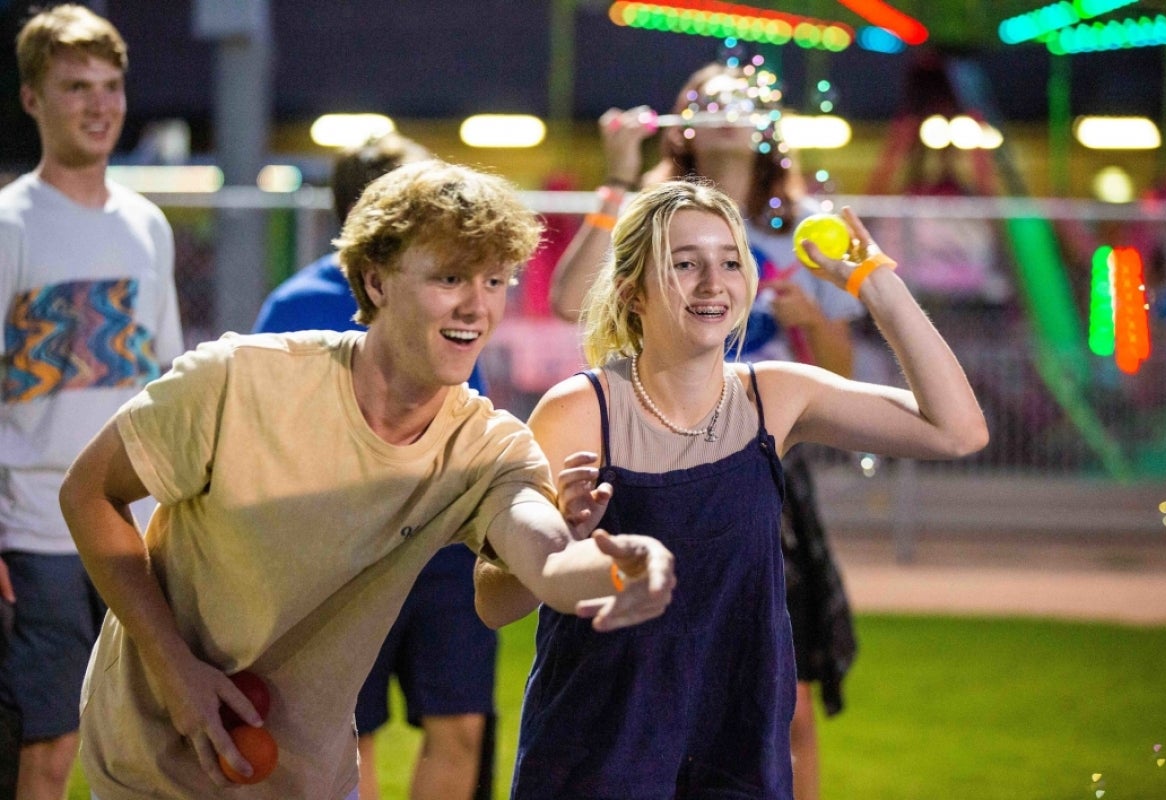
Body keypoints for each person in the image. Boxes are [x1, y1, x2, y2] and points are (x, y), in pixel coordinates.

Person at [57, 159, 677, 800]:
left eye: (496, 280)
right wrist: (176, 670)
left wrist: (616, 567)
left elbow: (543, 559)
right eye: (450, 277)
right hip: (152, 763)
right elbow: (90, 491)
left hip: (309, 779)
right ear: (376, 281)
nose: (477, 304)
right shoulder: (236, 380)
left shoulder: (486, 446)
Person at [489, 180, 987, 798]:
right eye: (684, 263)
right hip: (597, 751)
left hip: (738, 749)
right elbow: (491, 600)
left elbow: (958, 432)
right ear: (632, 292)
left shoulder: (773, 396)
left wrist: (877, 286)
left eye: (730, 261)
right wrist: (561, 541)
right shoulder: (578, 411)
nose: (712, 282)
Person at [547, 60, 862, 800]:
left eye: (744, 101)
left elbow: (844, 365)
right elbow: (570, 299)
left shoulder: (803, 220)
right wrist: (620, 177)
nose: (714, 279)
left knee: (785, 691)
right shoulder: (652, 211)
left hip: (762, 460)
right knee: (655, 680)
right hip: (662, 454)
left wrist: (814, 320)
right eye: (709, 102)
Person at [252, 132, 499, 800]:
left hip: (445, 540)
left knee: (461, 727)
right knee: (345, 734)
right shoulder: (294, 307)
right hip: (344, 553)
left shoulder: (458, 295)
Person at [0, 6, 184, 799]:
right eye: (75, 87)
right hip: (35, 531)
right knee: (45, 747)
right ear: (33, 99)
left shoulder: (147, 225)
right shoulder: (11, 224)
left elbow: (167, 385)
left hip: (136, 534)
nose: (100, 105)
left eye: (110, 86)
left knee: (154, 740)